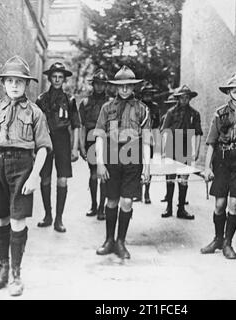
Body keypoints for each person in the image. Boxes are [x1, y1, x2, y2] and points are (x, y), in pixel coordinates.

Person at [0, 56, 52, 296]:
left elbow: (43, 148)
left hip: (22, 168)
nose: (14, 85)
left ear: (26, 84)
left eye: (19, 81)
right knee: (1, 219)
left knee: (18, 219)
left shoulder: (36, 113)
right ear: (4, 83)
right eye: (10, 81)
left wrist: (34, 176)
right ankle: (3, 270)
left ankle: (17, 274)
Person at [94, 65, 151, 259]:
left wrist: (147, 167)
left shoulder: (142, 109)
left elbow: (146, 140)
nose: (125, 89)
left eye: (128, 85)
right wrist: (100, 163)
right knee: (111, 200)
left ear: (133, 87)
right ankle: (109, 240)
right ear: (116, 87)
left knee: (127, 201)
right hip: (111, 158)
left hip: (133, 158)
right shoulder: (107, 108)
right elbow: (100, 136)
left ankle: (121, 241)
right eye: (121, 86)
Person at [200, 73, 236, 259]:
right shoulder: (220, 113)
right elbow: (211, 142)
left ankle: (228, 243)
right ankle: (217, 238)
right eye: (235, 91)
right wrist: (207, 167)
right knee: (220, 204)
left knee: (234, 203)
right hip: (223, 159)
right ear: (229, 93)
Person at [36, 62, 81, 233]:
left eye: (60, 77)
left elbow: (76, 125)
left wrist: (75, 148)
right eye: (54, 76)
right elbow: (35, 125)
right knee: (45, 178)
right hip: (45, 140)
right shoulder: (41, 100)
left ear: (64, 80)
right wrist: (35, 148)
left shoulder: (69, 100)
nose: (57, 80)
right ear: (49, 78)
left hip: (62, 140)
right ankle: (47, 215)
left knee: (62, 179)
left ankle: (59, 219)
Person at [161, 85, 203, 219]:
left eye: (187, 97)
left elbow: (198, 133)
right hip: (172, 146)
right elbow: (165, 132)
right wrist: (163, 151)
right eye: (182, 97)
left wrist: (196, 151)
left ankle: (181, 209)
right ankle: (168, 208)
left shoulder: (194, 114)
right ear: (177, 98)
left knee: (184, 179)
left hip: (186, 146)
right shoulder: (171, 113)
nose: (184, 100)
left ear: (190, 98)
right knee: (170, 178)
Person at [79, 69, 110, 220]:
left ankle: (101, 208)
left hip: (105, 141)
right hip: (90, 141)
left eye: (102, 84)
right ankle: (93, 204)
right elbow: (82, 126)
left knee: (103, 175)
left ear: (106, 85)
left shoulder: (111, 103)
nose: (99, 87)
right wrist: (81, 146)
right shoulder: (85, 102)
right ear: (93, 85)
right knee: (93, 175)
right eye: (97, 84)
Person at [136, 82, 160, 204]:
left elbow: (156, 127)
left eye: (150, 94)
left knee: (148, 166)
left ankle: (147, 192)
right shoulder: (137, 106)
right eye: (146, 94)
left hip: (149, 140)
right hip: (137, 139)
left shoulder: (155, 107)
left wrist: (157, 145)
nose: (148, 96)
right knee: (137, 165)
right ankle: (138, 192)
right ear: (142, 95)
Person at [160, 94, 178, 203]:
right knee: (170, 173)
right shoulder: (165, 117)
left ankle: (181, 200)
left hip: (181, 145)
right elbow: (163, 133)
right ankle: (168, 196)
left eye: (173, 103)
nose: (171, 106)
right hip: (169, 145)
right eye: (169, 104)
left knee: (181, 173)